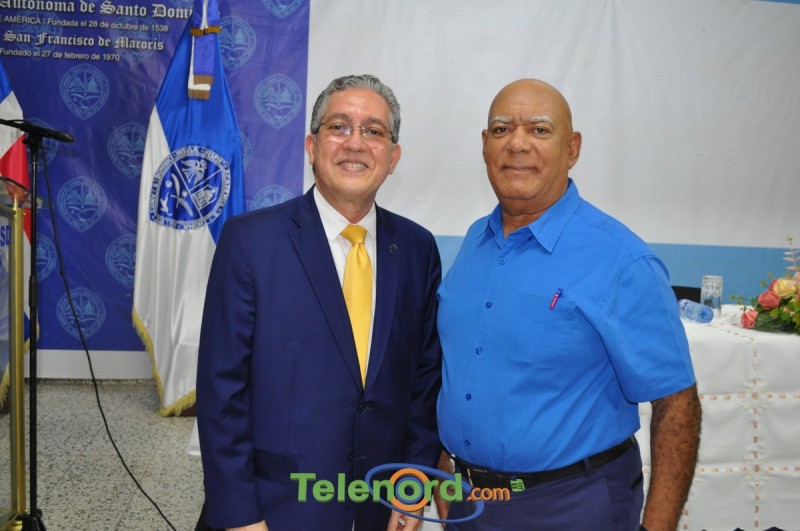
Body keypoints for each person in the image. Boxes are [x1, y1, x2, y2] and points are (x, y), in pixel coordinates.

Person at [436, 79, 701, 530]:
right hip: (467, 504)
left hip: (571, 507)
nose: (517, 144)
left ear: (572, 148)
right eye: (501, 129)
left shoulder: (621, 259)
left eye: (539, 130)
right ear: (484, 145)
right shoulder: (475, 242)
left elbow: (677, 403)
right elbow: (462, 371)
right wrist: (447, 462)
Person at [196, 74, 442, 531]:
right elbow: (221, 392)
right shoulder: (251, 242)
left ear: (393, 157)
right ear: (312, 146)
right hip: (274, 511)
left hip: (379, 507)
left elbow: (424, 383)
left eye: (373, 131)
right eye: (339, 127)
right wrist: (240, 516)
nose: (355, 143)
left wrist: (413, 483)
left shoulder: (417, 249)